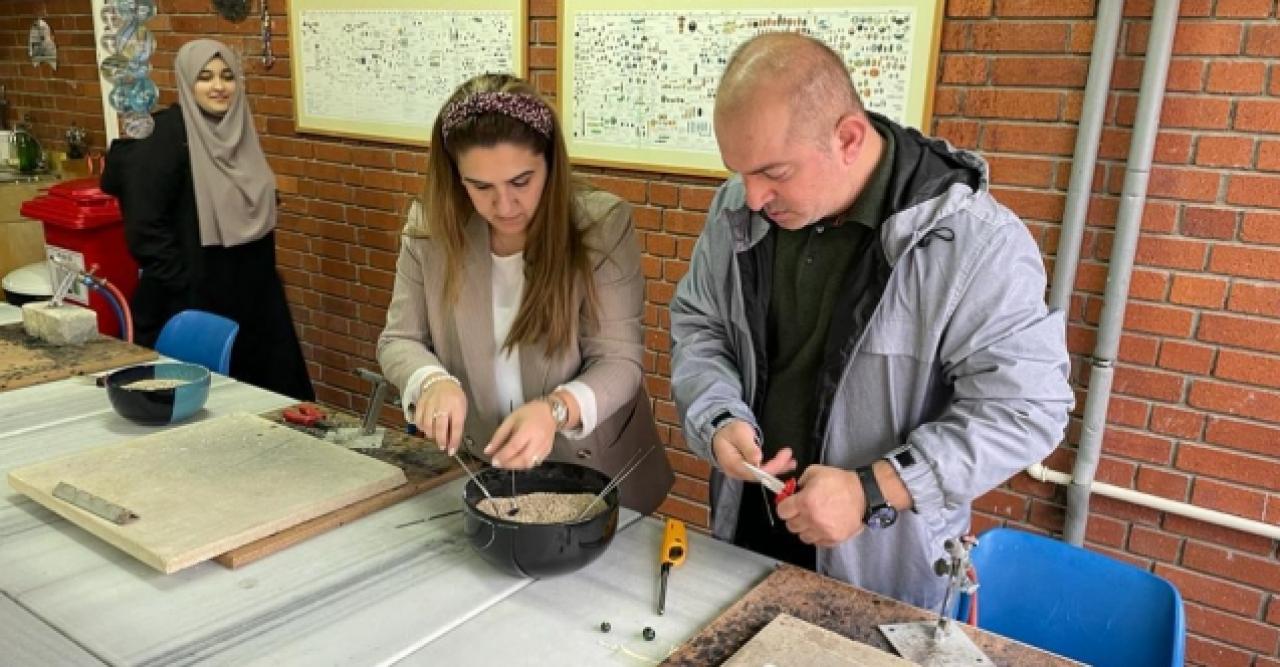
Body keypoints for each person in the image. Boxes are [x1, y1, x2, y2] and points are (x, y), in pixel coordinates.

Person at [670, 32, 1074, 609]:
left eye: (773, 172)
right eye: (739, 172)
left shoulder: (974, 243)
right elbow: (700, 325)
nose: (752, 196)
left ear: (848, 138)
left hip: (881, 568)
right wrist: (717, 416)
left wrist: (873, 489)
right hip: (746, 540)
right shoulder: (737, 210)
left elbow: (1026, 409)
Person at [377, 73, 673, 514]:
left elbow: (619, 361)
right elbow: (398, 339)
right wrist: (431, 381)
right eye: (481, 188)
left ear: (551, 165)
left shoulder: (600, 225)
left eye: (521, 181)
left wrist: (555, 410)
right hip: (483, 464)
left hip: (596, 470)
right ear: (457, 177)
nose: (504, 206)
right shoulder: (430, 230)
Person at [101, 39, 314, 401]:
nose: (218, 86)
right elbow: (144, 228)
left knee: (273, 407)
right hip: (191, 305)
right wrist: (189, 285)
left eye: (227, 76)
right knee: (202, 410)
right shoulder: (165, 137)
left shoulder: (238, 131)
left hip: (254, 300)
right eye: (205, 77)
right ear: (186, 81)